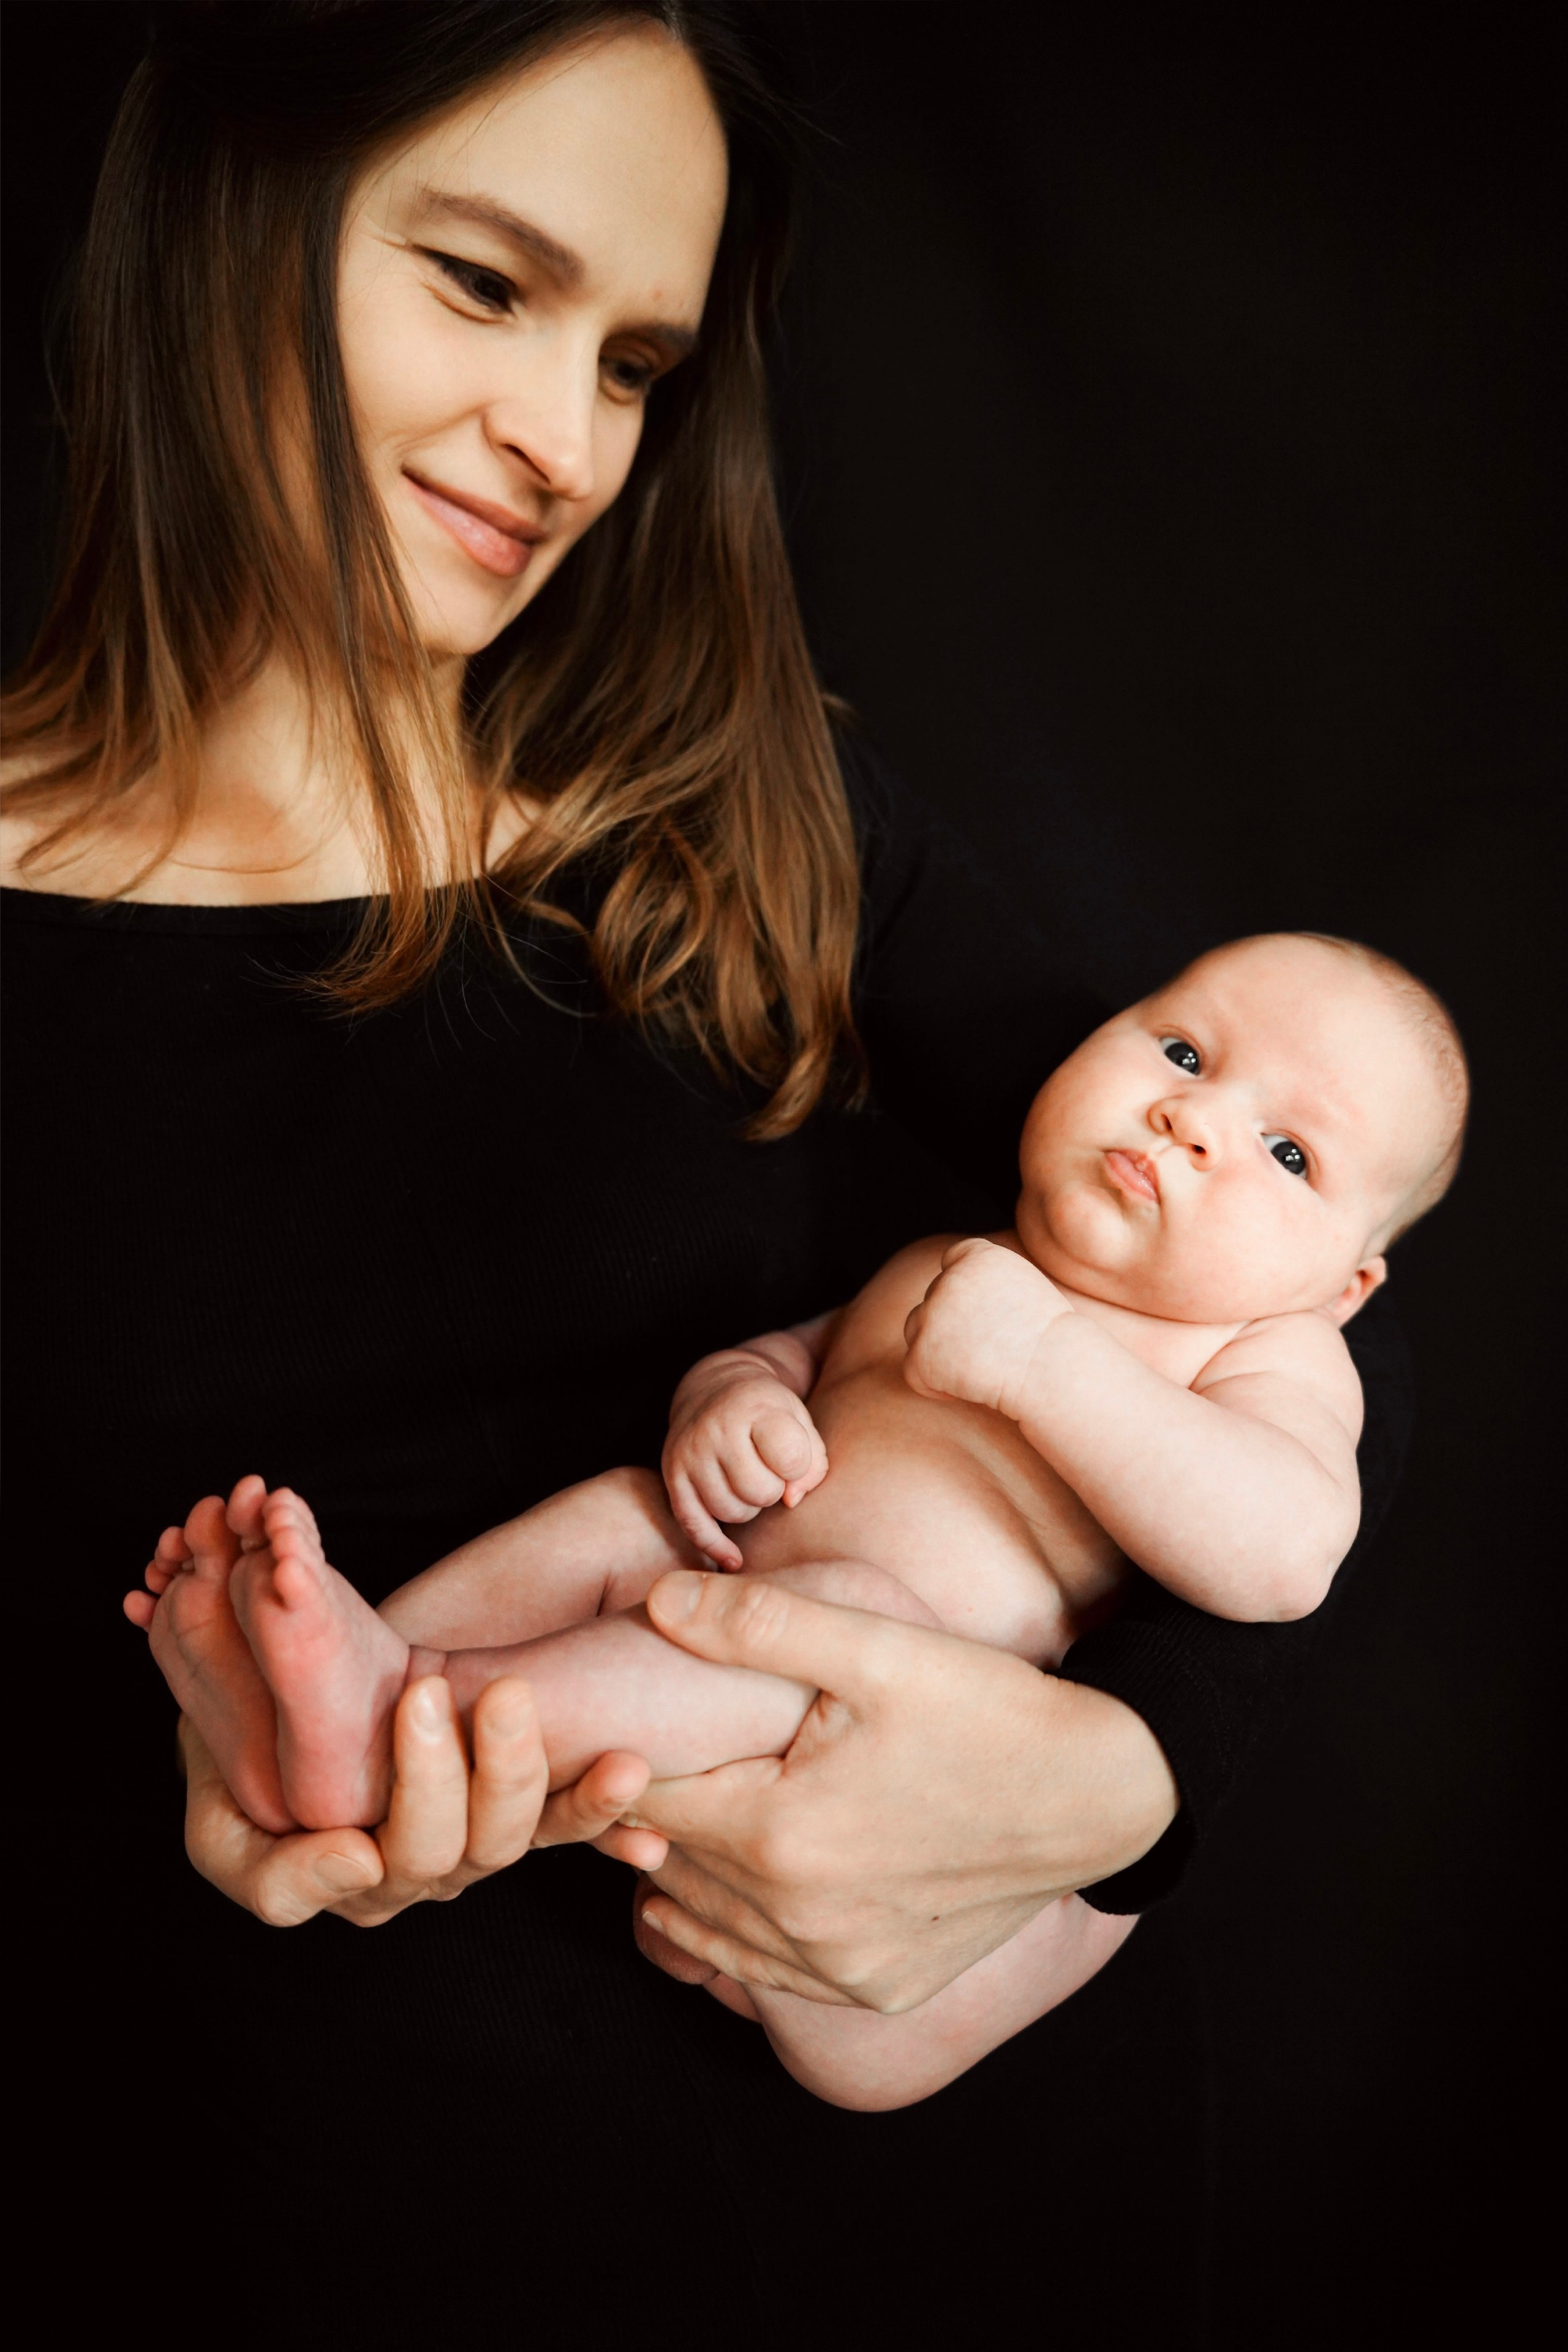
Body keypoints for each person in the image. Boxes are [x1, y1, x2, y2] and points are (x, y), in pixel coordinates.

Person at [1, 3, 1415, 2332]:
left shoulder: (763, 828)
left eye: (638, 361)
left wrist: (1129, 1788)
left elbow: (1294, 1249)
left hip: (942, 2234)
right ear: (216, 222)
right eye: (481, 282)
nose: (564, 446)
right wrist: (176, 1782)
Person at [126, 929, 1461, 2111]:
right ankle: (365, 1679)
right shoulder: (952, 1262)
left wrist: (1043, 1366)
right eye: (1179, 1049)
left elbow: (1283, 1556)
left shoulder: (1262, 1357)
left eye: (1287, 1152)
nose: (1190, 1119)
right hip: (737, 1744)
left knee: (840, 1621)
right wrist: (729, 1398)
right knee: (634, 1513)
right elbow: (793, 1356)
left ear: (1344, 1286)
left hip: (916, 1901)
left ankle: (421, 1719)